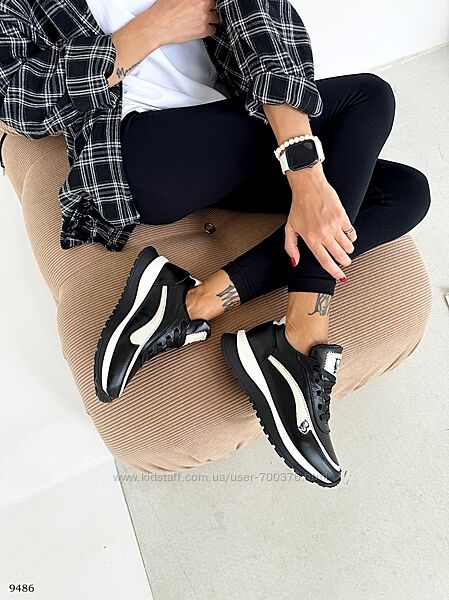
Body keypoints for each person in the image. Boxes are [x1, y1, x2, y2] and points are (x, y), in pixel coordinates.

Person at [0, 0, 431, 487]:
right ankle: (301, 336)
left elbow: (266, 25)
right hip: (139, 155)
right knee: (368, 96)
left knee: (404, 192)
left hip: (233, 131)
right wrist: (151, 29)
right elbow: (20, 101)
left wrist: (305, 174)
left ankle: (197, 300)